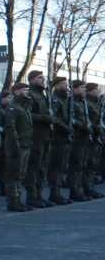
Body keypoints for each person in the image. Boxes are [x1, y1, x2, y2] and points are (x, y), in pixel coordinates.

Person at [24, 71, 54, 208]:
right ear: (31, 80)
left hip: (45, 136)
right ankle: (32, 196)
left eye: (43, 77)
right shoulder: (30, 95)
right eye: (39, 78)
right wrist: (45, 119)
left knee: (42, 168)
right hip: (35, 136)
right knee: (34, 168)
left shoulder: (42, 95)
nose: (43, 79)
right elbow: (28, 115)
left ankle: (39, 195)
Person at [46, 76, 74, 206]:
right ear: (56, 85)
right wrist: (65, 127)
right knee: (56, 167)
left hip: (64, 138)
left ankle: (58, 192)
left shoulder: (65, 100)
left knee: (62, 166)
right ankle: (54, 193)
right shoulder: (56, 100)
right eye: (63, 83)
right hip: (57, 138)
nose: (66, 85)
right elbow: (54, 118)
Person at [67, 80, 92, 202]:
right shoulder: (71, 102)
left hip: (84, 138)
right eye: (82, 87)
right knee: (75, 166)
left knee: (82, 165)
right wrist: (83, 126)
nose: (84, 90)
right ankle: (74, 190)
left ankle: (80, 189)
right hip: (76, 138)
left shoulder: (83, 102)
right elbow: (72, 119)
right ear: (75, 89)